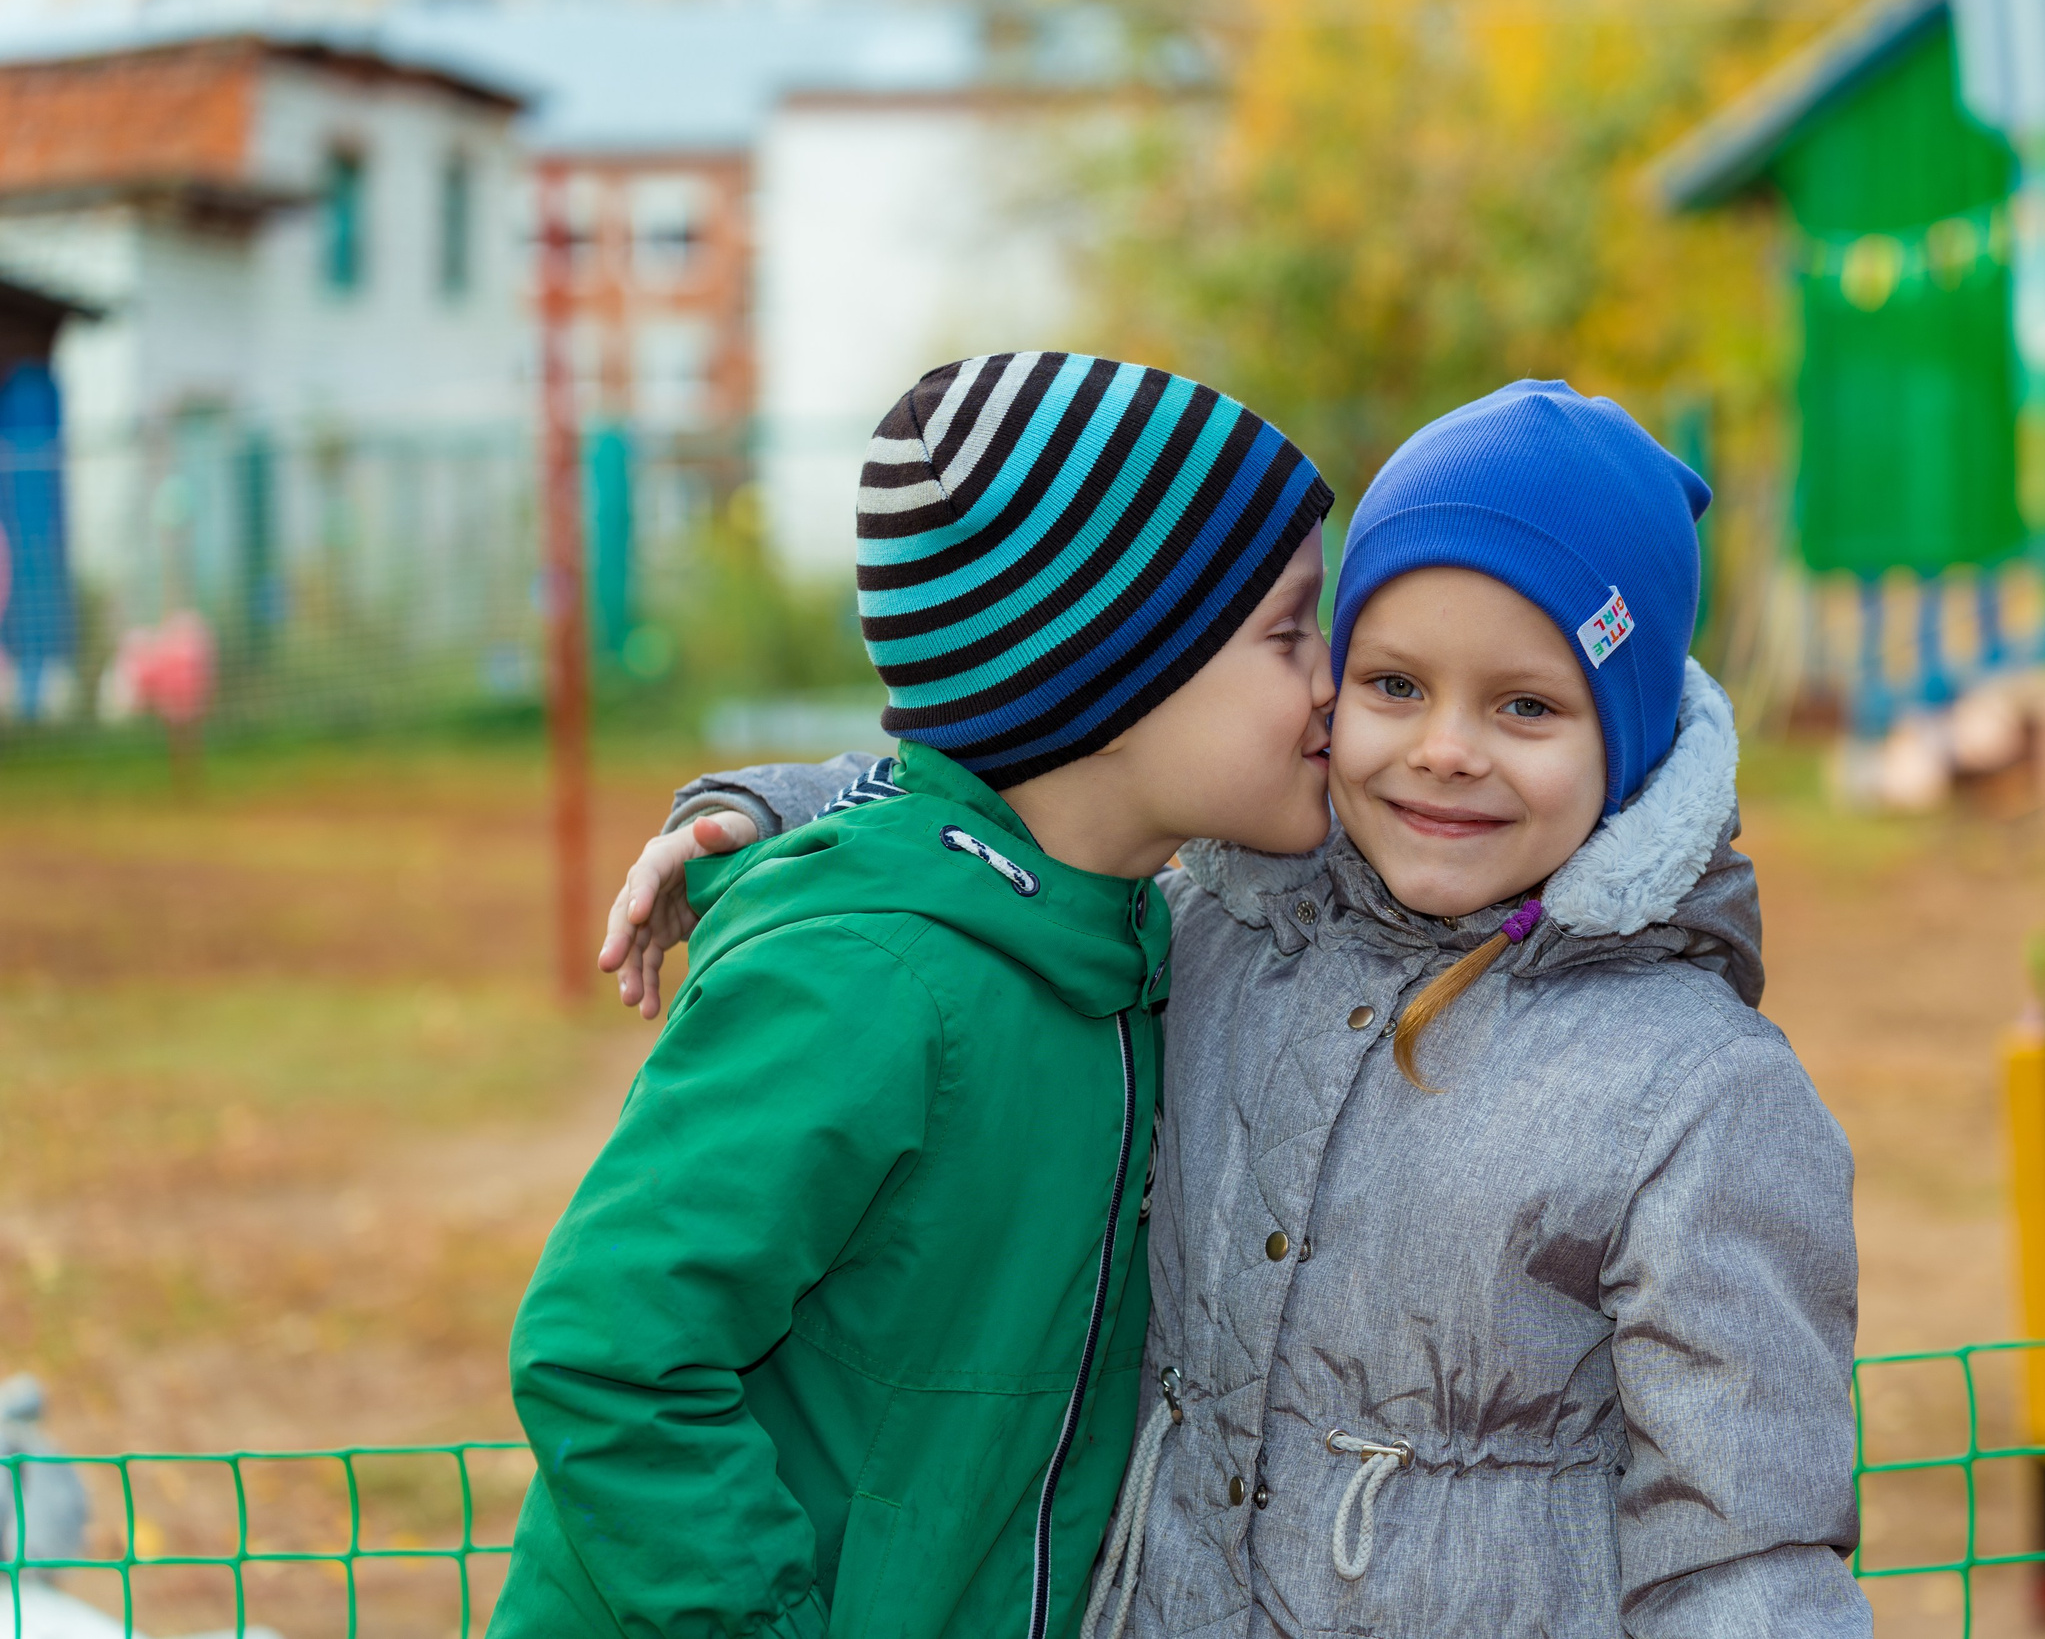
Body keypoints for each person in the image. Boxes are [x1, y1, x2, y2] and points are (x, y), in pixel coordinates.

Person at [605, 380, 1868, 1637]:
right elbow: (1031, 784)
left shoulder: (1701, 1094)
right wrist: (770, 811)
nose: (1444, 749)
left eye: (1525, 706)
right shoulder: (1222, 928)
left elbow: (1745, 1550)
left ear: (1632, 735)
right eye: (1390, 683)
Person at [490, 351, 1339, 1639]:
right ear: (1109, 675)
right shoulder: (865, 985)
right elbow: (609, 1355)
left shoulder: (1119, 934)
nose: (1332, 680)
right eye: (1287, 632)